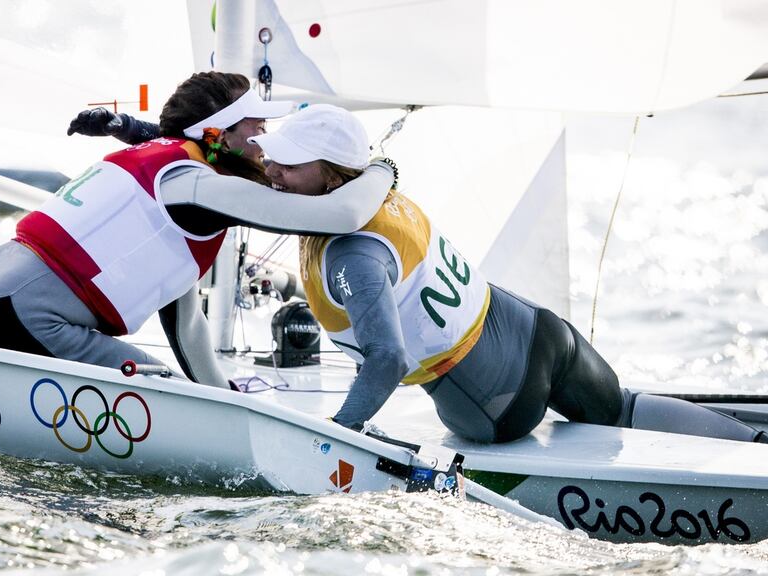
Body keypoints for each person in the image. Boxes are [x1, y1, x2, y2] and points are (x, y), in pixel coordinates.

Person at [243, 103, 767, 444]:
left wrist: (335, 437)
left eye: (288, 165)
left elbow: (387, 359)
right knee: (623, 408)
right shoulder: (379, 190)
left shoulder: (349, 252)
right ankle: (755, 445)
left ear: (332, 173)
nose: (272, 172)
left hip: (491, 402)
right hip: (541, 331)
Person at [0, 72, 397, 390]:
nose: (264, 129)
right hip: (17, 321)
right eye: (254, 121)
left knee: (178, 385)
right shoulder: (195, 186)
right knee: (164, 390)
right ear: (220, 134)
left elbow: (186, 326)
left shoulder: (169, 165)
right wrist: (382, 168)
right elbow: (341, 216)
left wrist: (225, 403)